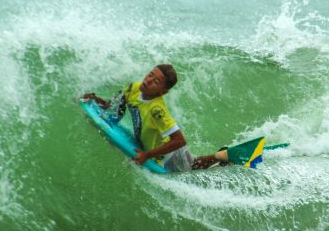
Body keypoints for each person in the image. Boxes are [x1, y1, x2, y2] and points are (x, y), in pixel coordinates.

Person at [81, 64, 228, 172]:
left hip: (169, 154)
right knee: (192, 163)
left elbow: (179, 140)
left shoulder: (157, 109)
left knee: (191, 168)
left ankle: (222, 156)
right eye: (151, 74)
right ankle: (220, 157)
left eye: (156, 81)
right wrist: (95, 99)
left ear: (163, 92)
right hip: (155, 148)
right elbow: (113, 107)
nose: (149, 80)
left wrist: (147, 154)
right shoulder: (133, 88)